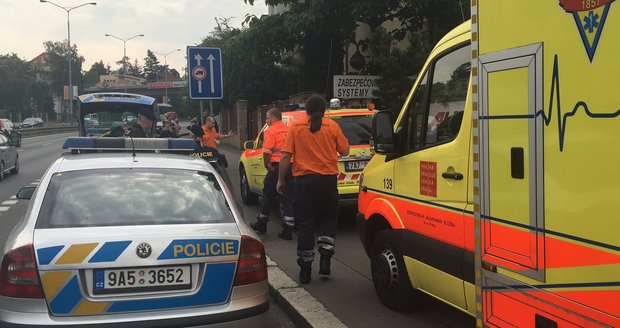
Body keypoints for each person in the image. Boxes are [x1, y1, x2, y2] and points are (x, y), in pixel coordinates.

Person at [277, 95, 349, 284]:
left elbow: (285, 157)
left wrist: (281, 180)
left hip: (303, 182)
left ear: (306, 110)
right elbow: (345, 151)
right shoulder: (332, 126)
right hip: (327, 182)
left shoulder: (296, 127)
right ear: (324, 110)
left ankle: (306, 270)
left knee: (306, 223)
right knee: (328, 217)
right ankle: (325, 258)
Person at [250, 108, 296, 240]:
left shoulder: (270, 131)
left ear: (274, 118)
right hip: (291, 167)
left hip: (276, 167)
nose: (266, 120)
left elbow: (266, 152)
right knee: (288, 197)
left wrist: (267, 165)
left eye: (267, 118)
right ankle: (288, 228)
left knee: (268, 195)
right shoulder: (290, 130)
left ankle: (262, 223)